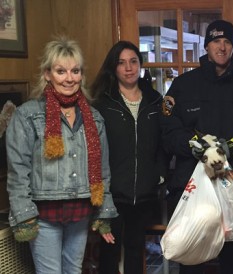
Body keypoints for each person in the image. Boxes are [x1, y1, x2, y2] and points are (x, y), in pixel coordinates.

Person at [160, 19, 233, 274]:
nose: (222, 47)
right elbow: (168, 130)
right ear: (206, 46)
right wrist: (195, 145)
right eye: (216, 41)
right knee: (192, 257)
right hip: (193, 186)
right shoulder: (183, 85)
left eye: (227, 42)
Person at [5, 37, 118, 274]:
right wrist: (23, 214)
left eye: (75, 71)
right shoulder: (27, 115)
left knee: (73, 271)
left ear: (81, 75)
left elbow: (103, 171)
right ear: (47, 74)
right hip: (44, 214)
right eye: (61, 71)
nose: (69, 78)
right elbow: (18, 171)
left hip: (80, 211)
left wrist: (104, 211)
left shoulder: (94, 118)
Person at [91, 40, 167, 274]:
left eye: (133, 61)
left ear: (140, 65)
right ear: (114, 68)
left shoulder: (155, 101)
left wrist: (159, 174)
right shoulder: (103, 104)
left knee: (136, 249)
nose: (128, 68)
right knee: (109, 252)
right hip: (112, 194)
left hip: (144, 192)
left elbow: (164, 144)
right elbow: (95, 148)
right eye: (121, 63)